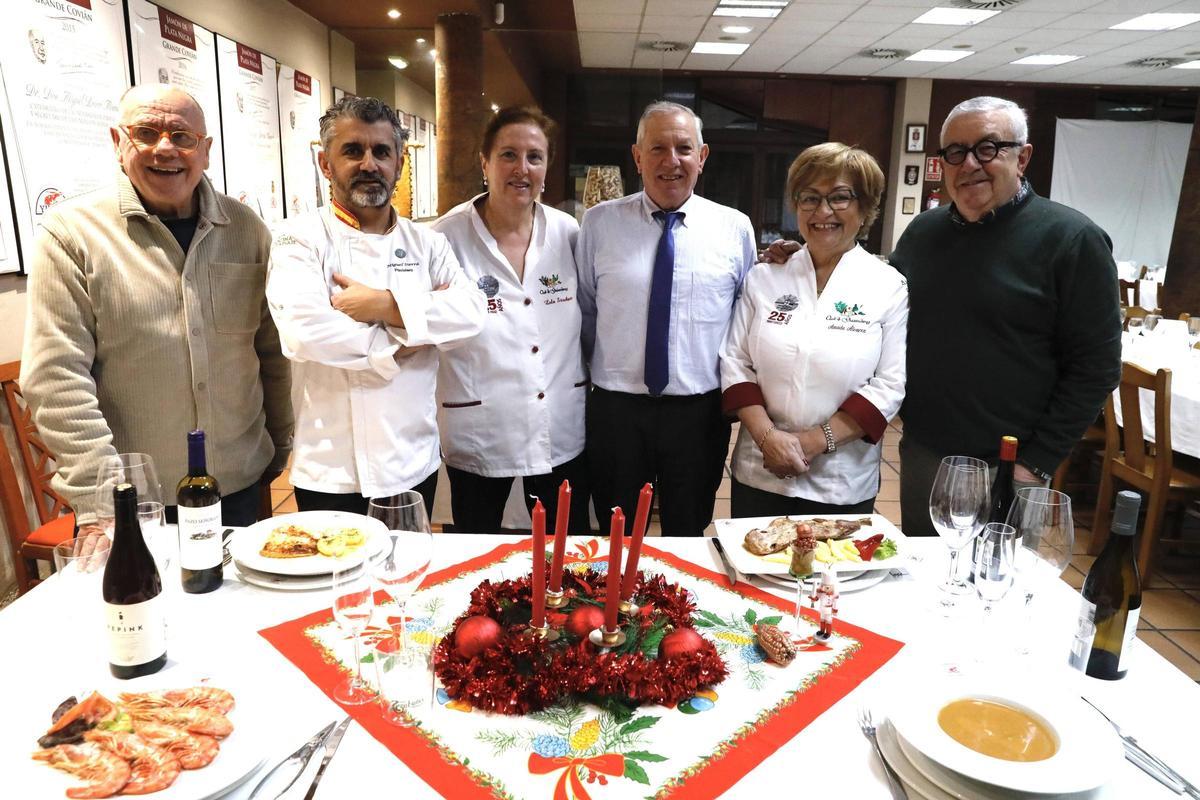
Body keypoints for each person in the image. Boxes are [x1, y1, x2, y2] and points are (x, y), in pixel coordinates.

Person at [21, 84, 292, 553]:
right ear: (118, 142)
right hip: (134, 500)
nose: (165, 148)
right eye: (146, 132)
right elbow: (56, 377)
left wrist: (279, 443)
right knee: (143, 602)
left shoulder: (247, 229)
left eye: (182, 136)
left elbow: (272, 350)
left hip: (239, 483)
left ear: (205, 150)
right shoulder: (71, 233)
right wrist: (101, 501)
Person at [890, 96, 1121, 535]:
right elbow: (878, 305)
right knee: (921, 570)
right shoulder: (923, 233)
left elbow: (1097, 367)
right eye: (955, 151)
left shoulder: (1073, 240)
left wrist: (1038, 462)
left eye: (988, 148)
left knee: (998, 575)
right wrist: (806, 261)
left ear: (1023, 157)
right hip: (924, 451)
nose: (969, 164)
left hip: (1011, 464)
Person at [267, 96, 485, 516]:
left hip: (411, 457)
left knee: (409, 557)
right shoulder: (299, 238)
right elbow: (304, 331)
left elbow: (470, 313)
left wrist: (384, 305)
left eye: (382, 152)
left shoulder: (428, 243)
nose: (369, 164)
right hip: (331, 466)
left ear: (399, 164)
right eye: (353, 151)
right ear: (325, 164)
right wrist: (403, 342)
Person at [576, 101, 757, 536]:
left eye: (684, 148)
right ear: (637, 157)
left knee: (688, 530)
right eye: (657, 148)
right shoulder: (599, 224)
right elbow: (585, 309)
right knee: (616, 534)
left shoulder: (735, 229)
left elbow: (745, 318)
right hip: (617, 410)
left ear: (702, 156)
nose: (671, 160)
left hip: (698, 413)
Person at [720, 143, 907, 517]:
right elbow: (735, 362)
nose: (823, 212)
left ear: (865, 207)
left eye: (840, 197)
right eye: (810, 198)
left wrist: (813, 442)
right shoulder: (765, 277)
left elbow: (889, 384)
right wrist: (769, 439)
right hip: (761, 469)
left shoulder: (888, 285)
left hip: (840, 480)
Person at [430, 106, 591, 533]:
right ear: (484, 162)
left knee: (566, 549)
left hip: (559, 422)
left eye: (534, 157)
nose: (522, 168)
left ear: (546, 168)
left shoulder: (567, 232)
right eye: (508, 155)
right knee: (475, 547)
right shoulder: (444, 238)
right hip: (480, 426)